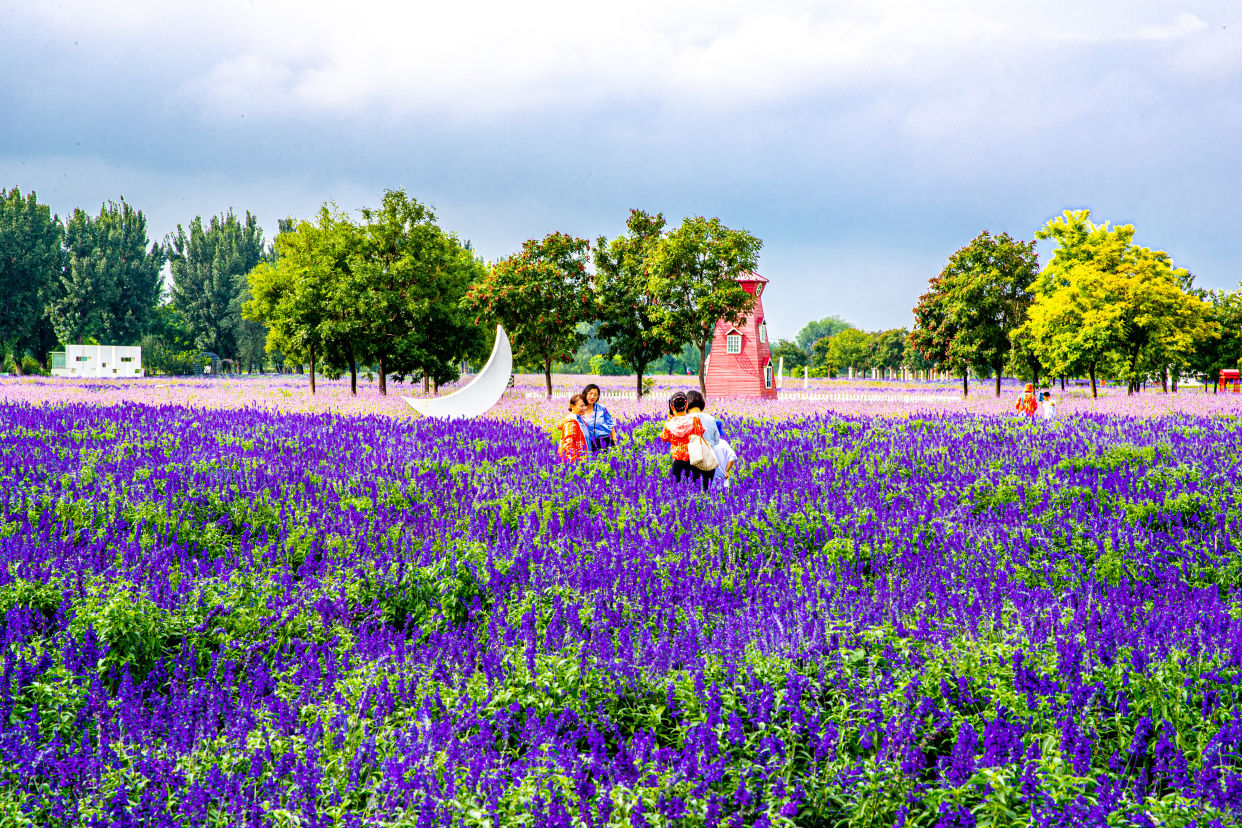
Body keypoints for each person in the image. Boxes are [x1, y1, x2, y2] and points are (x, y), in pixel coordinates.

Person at [660, 391, 704, 484]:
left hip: (677, 463)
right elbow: (700, 434)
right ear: (686, 405)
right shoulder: (695, 421)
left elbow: (664, 438)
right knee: (696, 492)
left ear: (672, 407)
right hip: (694, 461)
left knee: (677, 492)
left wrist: (670, 418)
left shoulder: (669, 424)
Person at [684, 389, 720, 492]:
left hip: (690, 462)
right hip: (708, 462)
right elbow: (716, 441)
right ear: (702, 403)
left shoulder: (683, 420)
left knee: (690, 494)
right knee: (707, 493)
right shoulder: (712, 420)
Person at [581, 383, 617, 451]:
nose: (592, 397)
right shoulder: (580, 410)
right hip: (588, 444)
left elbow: (611, 426)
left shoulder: (602, 409)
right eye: (590, 393)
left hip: (605, 442)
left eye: (595, 395)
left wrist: (615, 442)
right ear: (585, 393)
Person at [557, 393, 590, 463]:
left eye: (585, 405)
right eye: (582, 406)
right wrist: (573, 464)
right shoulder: (571, 422)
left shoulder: (579, 419)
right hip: (577, 461)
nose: (584, 408)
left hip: (584, 458)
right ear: (572, 406)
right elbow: (569, 445)